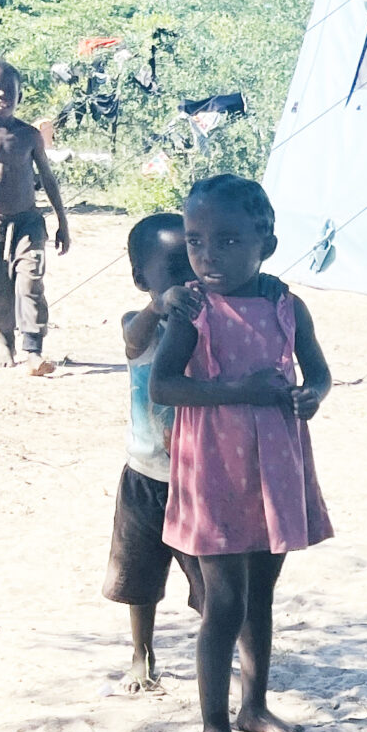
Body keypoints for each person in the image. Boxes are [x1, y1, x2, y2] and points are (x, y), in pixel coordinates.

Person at [150, 174, 333, 732]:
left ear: (266, 245)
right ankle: (213, 731)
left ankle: (254, 706)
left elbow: (319, 372)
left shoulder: (287, 306)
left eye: (228, 241)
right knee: (224, 603)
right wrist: (241, 391)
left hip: (273, 470)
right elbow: (163, 385)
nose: (209, 256)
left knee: (261, 595)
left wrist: (312, 395)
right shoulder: (193, 309)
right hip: (215, 474)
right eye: (196, 241)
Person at [103, 213, 205, 692]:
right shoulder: (138, 323)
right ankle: (141, 653)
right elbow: (132, 339)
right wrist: (159, 306)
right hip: (145, 475)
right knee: (139, 578)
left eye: (194, 263)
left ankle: (218, 648)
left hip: (199, 479)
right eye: (175, 269)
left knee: (209, 578)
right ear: (141, 278)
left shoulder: (207, 323)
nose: (189, 277)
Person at [0, 59, 70, 373]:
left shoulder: (29, 135)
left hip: (28, 222)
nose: (2, 95)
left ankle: (33, 349)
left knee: (31, 280)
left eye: (10, 89)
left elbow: (48, 178)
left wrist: (62, 222)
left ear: (19, 95)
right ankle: (5, 340)